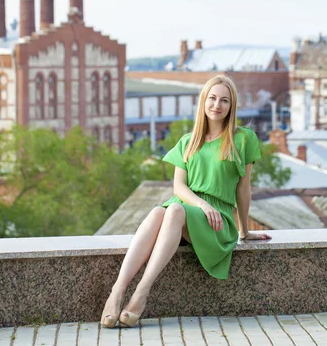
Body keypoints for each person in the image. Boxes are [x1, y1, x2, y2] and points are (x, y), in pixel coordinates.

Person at [100, 75, 272, 328]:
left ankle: (142, 292)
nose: (217, 105)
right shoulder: (188, 141)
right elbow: (178, 187)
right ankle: (118, 290)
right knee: (160, 212)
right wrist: (202, 204)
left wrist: (244, 231)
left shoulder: (243, 139)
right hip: (188, 211)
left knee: (174, 210)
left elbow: (243, 189)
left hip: (218, 219)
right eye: (212, 98)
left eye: (224, 100)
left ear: (231, 106)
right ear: (203, 101)